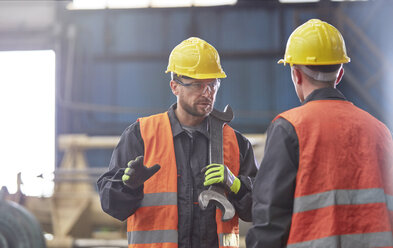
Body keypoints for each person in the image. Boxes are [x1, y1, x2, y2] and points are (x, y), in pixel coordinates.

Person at [97, 37, 257, 248]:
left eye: (213, 84)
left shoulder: (236, 143)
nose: (207, 93)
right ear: (175, 87)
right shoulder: (141, 135)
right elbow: (111, 206)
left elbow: (260, 209)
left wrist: (236, 185)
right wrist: (128, 187)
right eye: (198, 85)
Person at [246, 19, 393, 248]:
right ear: (340, 73)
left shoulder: (289, 127)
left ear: (296, 75)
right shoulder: (380, 131)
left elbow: (270, 223)